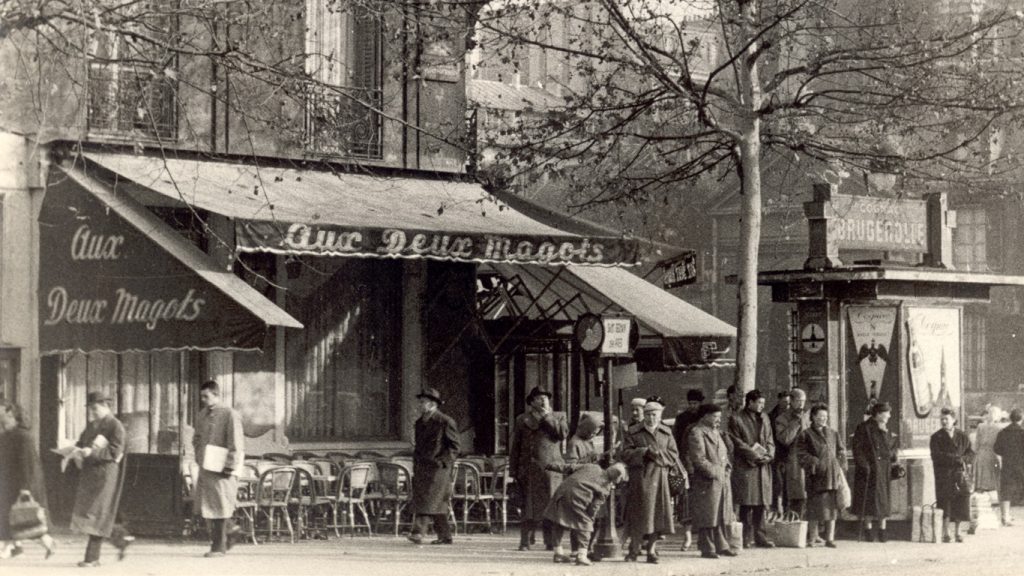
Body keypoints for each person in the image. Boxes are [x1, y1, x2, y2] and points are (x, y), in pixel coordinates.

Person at [70, 392, 132, 567]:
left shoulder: (115, 426)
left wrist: (92, 452)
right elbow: (81, 442)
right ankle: (122, 540)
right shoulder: (92, 425)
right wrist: (74, 450)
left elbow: (115, 452)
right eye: (90, 408)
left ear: (106, 406)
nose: (92, 412)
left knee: (98, 512)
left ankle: (92, 558)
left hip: (106, 474)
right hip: (90, 474)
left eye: (95, 408)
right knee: (97, 512)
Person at [620, 396, 684, 564]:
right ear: (643, 415)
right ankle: (633, 550)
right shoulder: (633, 432)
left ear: (660, 415)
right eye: (648, 414)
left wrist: (658, 456)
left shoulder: (666, 432)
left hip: (659, 478)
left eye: (655, 414)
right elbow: (625, 454)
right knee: (637, 516)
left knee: (657, 516)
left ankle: (651, 550)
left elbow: (673, 455)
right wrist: (643, 452)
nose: (651, 418)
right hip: (639, 478)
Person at [509, 386, 567, 551]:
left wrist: (548, 417)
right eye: (539, 398)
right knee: (529, 507)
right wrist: (513, 470)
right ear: (532, 402)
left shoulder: (559, 416)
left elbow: (562, 434)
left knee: (551, 506)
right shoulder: (522, 419)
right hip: (528, 468)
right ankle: (525, 542)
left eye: (546, 398)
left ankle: (551, 542)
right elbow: (516, 446)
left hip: (551, 470)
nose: (543, 400)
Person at [193, 380, 245, 557]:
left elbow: (236, 442)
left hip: (223, 469)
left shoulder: (230, 414)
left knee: (219, 505)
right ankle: (232, 531)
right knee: (209, 505)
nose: (203, 400)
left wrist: (229, 466)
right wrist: (199, 455)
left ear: (217, 395)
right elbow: (197, 438)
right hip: (207, 467)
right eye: (201, 396)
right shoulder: (201, 415)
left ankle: (218, 547)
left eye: (206, 396)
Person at [0, 402, 56, 559]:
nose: (4, 419)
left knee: (25, 517)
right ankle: (16, 547)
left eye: (8, 416)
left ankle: (46, 541)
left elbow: (28, 464)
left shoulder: (23, 436)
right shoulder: (7, 436)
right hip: (9, 483)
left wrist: (25, 488)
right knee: (13, 517)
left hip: (21, 484)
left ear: (16, 418)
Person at [543, 463, 627, 566]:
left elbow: (568, 467)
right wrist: (590, 519)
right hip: (578, 499)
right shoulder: (605, 487)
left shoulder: (592, 466)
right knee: (586, 526)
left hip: (562, 492)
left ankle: (558, 554)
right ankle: (582, 556)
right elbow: (594, 507)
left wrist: (551, 466)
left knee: (559, 521)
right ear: (616, 478)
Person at [408, 387, 460, 545]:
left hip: (438, 469)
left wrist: (443, 461)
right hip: (423, 467)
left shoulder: (445, 421)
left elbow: (455, 446)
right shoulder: (419, 423)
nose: (420, 405)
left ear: (432, 404)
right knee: (435, 501)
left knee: (428, 499)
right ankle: (445, 536)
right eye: (420, 402)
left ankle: (418, 532)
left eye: (423, 402)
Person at [687, 404, 738, 560]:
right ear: (705, 416)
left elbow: (724, 455)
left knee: (720, 514)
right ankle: (707, 547)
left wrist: (727, 469)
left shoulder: (715, 432)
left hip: (720, 480)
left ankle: (721, 545)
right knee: (708, 515)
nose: (718, 420)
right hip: (707, 481)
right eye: (715, 417)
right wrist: (716, 472)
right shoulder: (697, 432)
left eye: (719, 417)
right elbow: (699, 459)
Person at [728, 389, 776, 548]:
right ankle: (746, 537)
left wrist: (770, 454)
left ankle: (761, 537)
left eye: (763, 403)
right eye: (759, 403)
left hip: (762, 466)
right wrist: (754, 455)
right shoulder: (736, 419)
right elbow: (736, 442)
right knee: (747, 503)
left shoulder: (765, 417)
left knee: (762, 504)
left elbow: (770, 439)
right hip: (747, 466)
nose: (762, 406)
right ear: (750, 402)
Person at [797, 403, 846, 548]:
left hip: (831, 475)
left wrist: (840, 461)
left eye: (825, 417)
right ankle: (812, 538)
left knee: (832, 508)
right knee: (814, 508)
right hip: (815, 476)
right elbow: (800, 454)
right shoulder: (806, 434)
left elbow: (841, 449)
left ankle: (830, 538)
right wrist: (815, 462)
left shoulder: (833, 433)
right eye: (820, 417)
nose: (823, 419)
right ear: (813, 417)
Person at [851, 401, 897, 542]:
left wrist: (893, 458)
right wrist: (864, 465)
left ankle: (883, 530)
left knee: (883, 501)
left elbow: (892, 449)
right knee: (869, 501)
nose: (889, 416)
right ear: (878, 414)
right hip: (869, 470)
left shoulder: (887, 429)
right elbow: (857, 449)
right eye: (887, 413)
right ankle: (868, 530)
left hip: (883, 470)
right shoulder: (864, 428)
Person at [930, 407, 975, 543]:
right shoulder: (936, 437)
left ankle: (958, 532)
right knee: (945, 503)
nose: (944, 422)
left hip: (959, 474)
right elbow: (936, 456)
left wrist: (964, 460)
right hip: (944, 475)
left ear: (954, 420)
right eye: (942, 419)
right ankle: (946, 533)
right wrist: (956, 458)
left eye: (946, 419)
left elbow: (971, 453)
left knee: (960, 502)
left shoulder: (962, 436)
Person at [672, 389, 704, 551]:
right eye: (690, 403)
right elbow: (677, 442)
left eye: (695, 403)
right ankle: (688, 534)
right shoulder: (682, 418)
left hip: (702, 465)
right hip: (687, 463)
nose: (693, 406)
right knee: (686, 500)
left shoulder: (704, 418)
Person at [774, 388, 809, 518]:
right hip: (793, 462)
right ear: (792, 401)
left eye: (803, 401)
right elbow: (785, 439)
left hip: (808, 460)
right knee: (795, 496)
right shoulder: (782, 418)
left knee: (809, 495)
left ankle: (810, 532)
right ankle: (793, 527)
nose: (801, 404)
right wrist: (795, 422)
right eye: (799, 401)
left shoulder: (808, 416)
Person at [993, 408, 1024, 526]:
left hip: (1007, 466)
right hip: (1022, 466)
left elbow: (996, 449)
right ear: (1021, 419)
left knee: (1006, 491)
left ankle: (1005, 517)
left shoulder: (1003, 432)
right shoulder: (1023, 433)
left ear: (1010, 418)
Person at [973, 405, 1003, 493]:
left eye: (993, 413)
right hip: (987, 453)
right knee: (986, 477)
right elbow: (977, 442)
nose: (991, 415)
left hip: (988, 453)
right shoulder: (983, 426)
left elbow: (977, 442)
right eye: (990, 413)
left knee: (987, 477)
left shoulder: (998, 428)